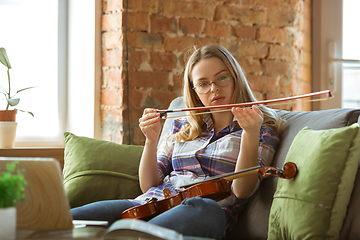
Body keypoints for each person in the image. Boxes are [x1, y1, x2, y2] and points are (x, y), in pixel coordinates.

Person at [71, 44, 284, 240]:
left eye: (222, 78)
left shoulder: (262, 129)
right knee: (66, 220)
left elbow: (241, 190)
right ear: (195, 91)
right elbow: (149, 185)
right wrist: (151, 141)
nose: (213, 89)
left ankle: (134, 235)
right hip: (151, 204)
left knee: (205, 208)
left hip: (204, 213)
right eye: (203, 83)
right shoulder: (183, 124)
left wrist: (249, 132)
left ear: (235, 78)